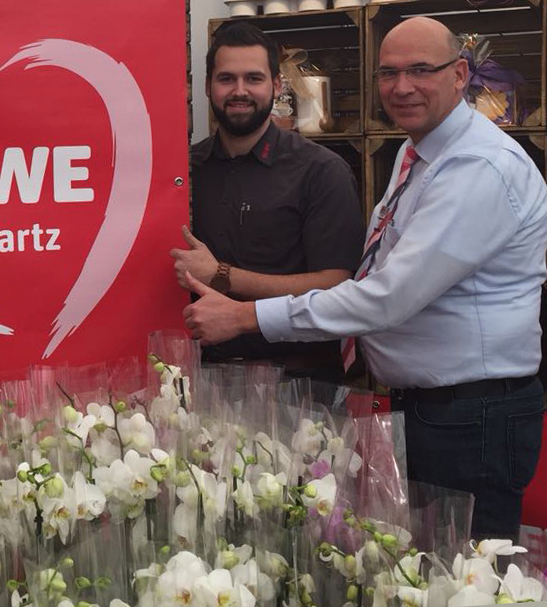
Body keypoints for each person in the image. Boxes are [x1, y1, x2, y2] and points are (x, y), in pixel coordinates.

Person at [180, 16, 547, 538]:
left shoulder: (477, 167)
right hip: (435, 408)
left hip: (471, 415)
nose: (402, 86)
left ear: (460, 74)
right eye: (388, 73)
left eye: (420, 70)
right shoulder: (418, 154)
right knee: (428, 563)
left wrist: (243, 314)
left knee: (468, 567)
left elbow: (383, 297)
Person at [171, 22, 364, 382]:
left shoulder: (322, 171)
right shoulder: (184, 172)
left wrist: (223, 276)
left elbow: (336, 286)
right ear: (208, 86)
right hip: (204, 380)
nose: (239, 91)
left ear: (276, 85)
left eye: (253, 78)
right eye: (226, 79)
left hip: (302, 385)